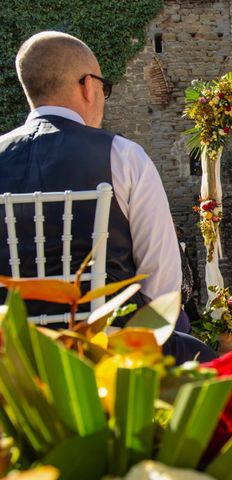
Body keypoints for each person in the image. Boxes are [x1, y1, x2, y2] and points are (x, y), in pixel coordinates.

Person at [0, 31, 215, 363]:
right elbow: (163, 286)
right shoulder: (123, 156)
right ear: (88, 86)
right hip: (111, 354)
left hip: (12, 357)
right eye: (104, 88)